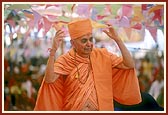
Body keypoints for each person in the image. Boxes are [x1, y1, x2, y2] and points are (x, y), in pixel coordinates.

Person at [34, 18, 142, 111]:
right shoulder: (66, 60)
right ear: (73, 43)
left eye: (91, 39)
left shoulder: (102, 55)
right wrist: (53, 51)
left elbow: (129, 65)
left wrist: (118, 40)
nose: (89, 44)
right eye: (84, 41)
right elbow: (49, 79)